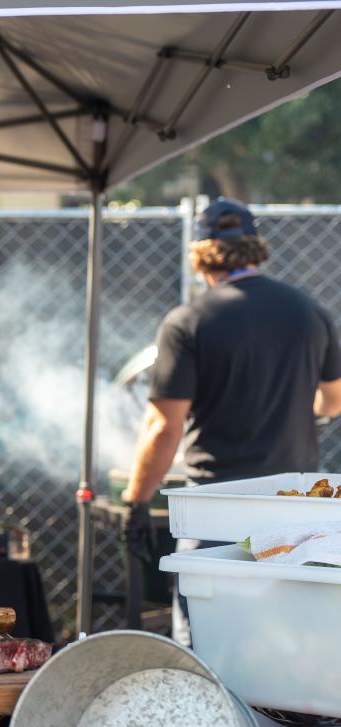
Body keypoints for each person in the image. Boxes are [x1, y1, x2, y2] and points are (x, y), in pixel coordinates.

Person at [124, 197, 341, 643]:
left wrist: (137, 500)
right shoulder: (308, 311)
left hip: (216, 509)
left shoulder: (188, 321)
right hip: (293, 506)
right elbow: (333, 401)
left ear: (201, 257)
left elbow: (164, 427)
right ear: (254, 248)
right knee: (291, 640)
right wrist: (294, 408)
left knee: (209, 641)